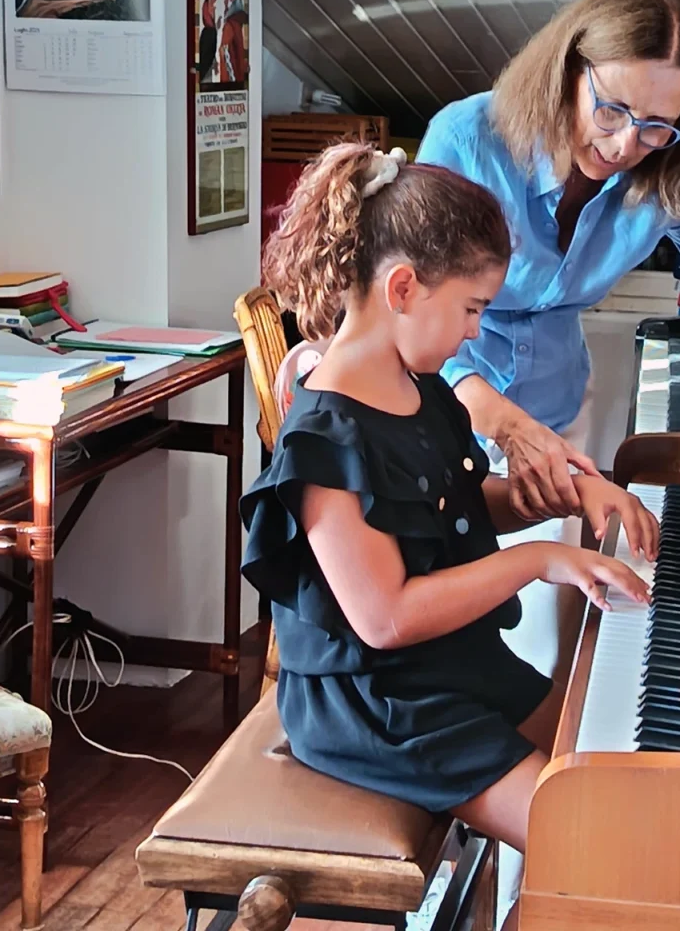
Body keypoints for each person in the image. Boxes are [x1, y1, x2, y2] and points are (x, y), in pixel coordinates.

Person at [240, 143, 658, 931]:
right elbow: (384, 615)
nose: (474, 333)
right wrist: (540, 561)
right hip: (379, 705)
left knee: (602, 763)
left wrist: (573, 498)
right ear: (403, 288)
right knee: (594, 839)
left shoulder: (417, 386)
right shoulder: (324, 439)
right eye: (471, 309)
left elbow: (458, 508)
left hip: (444, 667)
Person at [413, 0, 680, 706]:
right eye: (612, 109)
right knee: (471, 644)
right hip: (446, 417)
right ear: (569, 70)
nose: (630, 142)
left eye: (662, 123)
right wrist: (506, 424)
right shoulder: (468, 139)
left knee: (557, 642)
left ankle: (538, 800)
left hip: (560, 410)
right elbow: (424, 325)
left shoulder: (666, 169)